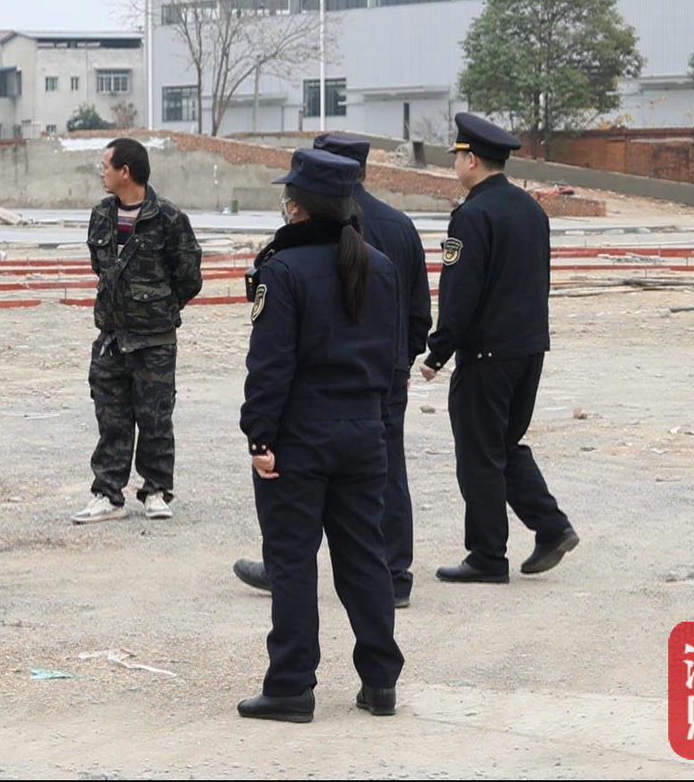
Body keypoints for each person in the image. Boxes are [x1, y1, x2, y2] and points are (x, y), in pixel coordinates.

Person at [237, 148, 404, 723]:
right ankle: (380, 682)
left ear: (297, 207)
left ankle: (291, 685)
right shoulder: (380, 266)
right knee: (364, 559)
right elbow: (393, 359)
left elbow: (270, 365)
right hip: (364, 431)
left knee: (292, 561)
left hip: (300, 437)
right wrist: (379, 423)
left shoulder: (282, 270)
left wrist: (259, 437)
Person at [235, 133, 431, 608]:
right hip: (380, 382)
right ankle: (394, 573)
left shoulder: (291, 257)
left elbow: (273, 358)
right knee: (384, 480)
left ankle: (284, 576)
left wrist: (259, 434)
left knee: (296, 527)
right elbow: (418, 314)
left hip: (313, 402)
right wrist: (401, 365)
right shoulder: (400, 226)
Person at [421, 113, 579, 585]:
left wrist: (438, 352)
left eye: (457, 157)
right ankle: (551, 527)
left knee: (479, 454)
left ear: (471, 160)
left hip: (487, 355)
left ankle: (487, 556)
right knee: (504, 445)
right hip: (529, 348)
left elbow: (460, 292)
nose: (456, 165)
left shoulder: (472, 216)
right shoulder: (531, 209)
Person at [73, 137, 202, 524]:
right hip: (112, 338)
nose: (102, 172)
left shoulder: (169, 218)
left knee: (155, 419)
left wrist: (158, 309)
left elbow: (189, 277)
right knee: (110, 419)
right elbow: (102, 270)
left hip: (154, 341)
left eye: (106, 166)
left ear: (125, 171)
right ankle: (107, 494)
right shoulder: (101, 215)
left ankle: (156, 490)